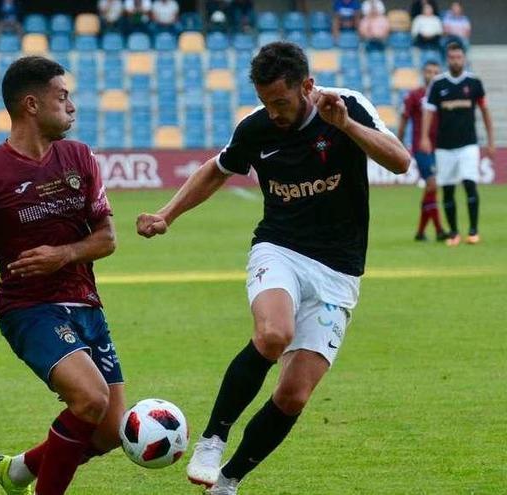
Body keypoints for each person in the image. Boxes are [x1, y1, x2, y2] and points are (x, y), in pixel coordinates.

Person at [136, 41, 410, 494]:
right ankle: (212, 437)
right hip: (279, 248)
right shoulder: (257, 127)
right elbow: (217, 169)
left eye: (281, 102)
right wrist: (167, 214)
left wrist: (345, 125)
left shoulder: (347, 106)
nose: (274, 112)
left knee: (294, 394)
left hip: (339, 271)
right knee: (273, 334)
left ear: (307, 86)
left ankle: (227, 482)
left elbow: (400, 161)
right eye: (265, 102)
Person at [0, 55, 123, 495]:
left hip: (86, 304)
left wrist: (61, 255)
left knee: (110, 432)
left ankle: (19, 470)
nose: (72, 106)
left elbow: (107, 239)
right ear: (31, 105)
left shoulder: (79, 156)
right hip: (28, 310)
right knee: (90, 400)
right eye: (63, 97)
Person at [420, 42, 494, 246]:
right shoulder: (438, 83)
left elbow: (485, 112)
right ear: (447, 59)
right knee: (448, 189)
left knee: (470, 184)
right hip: (444, 146)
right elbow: (428, 111)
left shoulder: (474, 83)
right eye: (452, 57)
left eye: (459, 57)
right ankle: (453, 233)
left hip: (468, 144)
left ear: (464, 58)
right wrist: (424, 137)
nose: (455, 61)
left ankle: (473, 230)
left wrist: (490, 140)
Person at [397, 60, 447, 241]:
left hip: (441, 148)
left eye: (435, 72)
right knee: (432, 184)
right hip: (422, 147)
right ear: (423, 74)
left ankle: (420, 232)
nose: (432, 75)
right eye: (429, 72)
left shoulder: (443, 95)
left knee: (431, 188)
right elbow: (403, 118)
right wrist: (399, 143)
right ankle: (440, 230)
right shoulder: (414, 95)